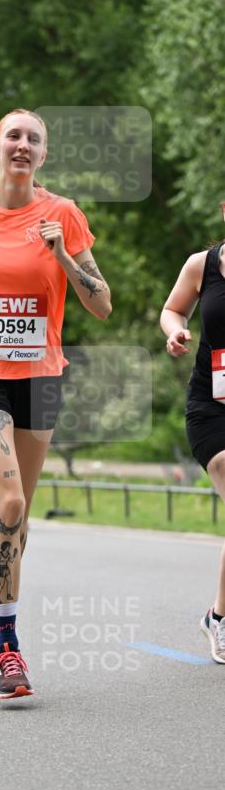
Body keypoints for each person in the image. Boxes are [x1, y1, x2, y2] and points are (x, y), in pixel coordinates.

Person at [0, 108, 112, 700]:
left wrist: (63, 255)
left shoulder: (64, 215)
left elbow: (102, 305)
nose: (22, 145)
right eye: (13, 135)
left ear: (43, 154)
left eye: (33, 138)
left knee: (19, 516)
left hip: (39, 378)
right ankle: (7, 645)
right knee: (6, 500)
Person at [160, 201, 225, 664]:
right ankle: (220, 619)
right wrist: (175, 331)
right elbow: (172, 309)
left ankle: (217, 615)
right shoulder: (202, 265)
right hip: (211, 409)